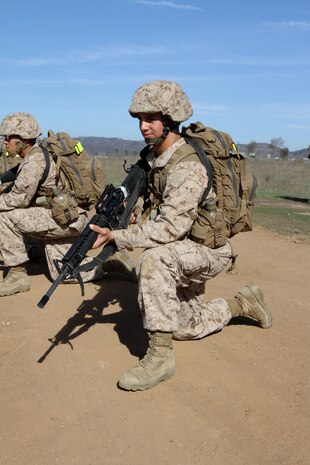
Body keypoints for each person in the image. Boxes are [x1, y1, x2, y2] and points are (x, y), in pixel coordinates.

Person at [89, 80, 272, 392]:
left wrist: (117, 237)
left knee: (154, 258)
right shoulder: (153, 158)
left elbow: (170, 228)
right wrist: (127, 211)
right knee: (185, 328)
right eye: (139, 120)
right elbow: (149, 203)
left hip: (207, 252)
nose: (143, 127)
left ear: (170, 120)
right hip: (184, 249)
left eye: (150, 119)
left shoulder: (186, 166)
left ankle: (160, 358)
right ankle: (243, 303)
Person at [0, 112, 136, 297]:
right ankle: (108, 261)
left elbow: (17, 200)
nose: (5, 142)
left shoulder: (35, 160)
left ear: (23, 139)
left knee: (5, 217)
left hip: (64, 220)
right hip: (66, 218)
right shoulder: (37, 154)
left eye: (9, 137)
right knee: (64, 273)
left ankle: (17, 276)